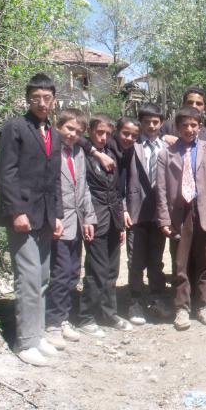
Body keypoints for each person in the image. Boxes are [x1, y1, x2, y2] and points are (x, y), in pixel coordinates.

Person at [0, 73, 64, 366]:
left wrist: (58, 214)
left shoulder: (55, 133)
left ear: (53, 99)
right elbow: (6, 172)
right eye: (35, 97)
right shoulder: (15, 127)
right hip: (22, 215)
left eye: (46, 97)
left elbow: (55, 178)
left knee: (43, 277)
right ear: (28, 99)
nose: (41, 102)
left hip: (47, 215)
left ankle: (37, 335)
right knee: (27, 277)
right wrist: (16, 211)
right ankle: (24, 343)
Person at [156, 107, 206, 330]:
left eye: (194, 125)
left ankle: (204, 305)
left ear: (200, 127)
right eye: (184, 125)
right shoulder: (166, 153)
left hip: (202, 210)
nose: (189, 129)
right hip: (179, 213)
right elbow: (162, 189)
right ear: (177, 128)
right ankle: (181, 308)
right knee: (180, 263)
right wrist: (164, 219)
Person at [45, 109, 97, 350]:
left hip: (77, 221)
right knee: (62, 271)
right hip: (58, 220)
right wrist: (53, 216)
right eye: (69, 129)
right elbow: (49, 188)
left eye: (78, 131)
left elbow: (83, 187)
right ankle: (52, 323)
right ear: (58, 126)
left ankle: (63, 318)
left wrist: (88, 219)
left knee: (74, 271)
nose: (73, 134)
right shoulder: (50, 151)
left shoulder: (78, 153)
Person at [78, 113, 132, 336]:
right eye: (99, 132)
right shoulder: (82, 151)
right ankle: (86, 317)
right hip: (94, 220)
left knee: (112, 271)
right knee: (96, 271)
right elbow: (69, 134)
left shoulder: (112, 152)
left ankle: (109, 314)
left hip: (113, 220)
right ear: (89, 130)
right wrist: (95, 153)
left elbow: (117, 191)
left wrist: (119, 224)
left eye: (108, 134)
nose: (103, 137)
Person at [125, 103, 172, 325]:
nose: (151, 126)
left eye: (155, 122)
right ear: (140, 123)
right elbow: (122, 180)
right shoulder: (130, 146)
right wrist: (124, 207)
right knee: (135, 259)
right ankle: (135, 302)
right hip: (136, 212)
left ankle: (156, 298)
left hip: (159, 214)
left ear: (161, 123)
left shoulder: (167, 148)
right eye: (147, 122)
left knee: (156, 259)